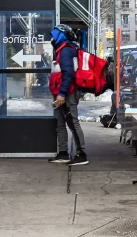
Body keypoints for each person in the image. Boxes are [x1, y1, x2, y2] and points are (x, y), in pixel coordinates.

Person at [48, 24, 88, 166]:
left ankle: (81, 154)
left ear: (61, 36)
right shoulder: (60, 50)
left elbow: (68, 74)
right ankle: (63, 153)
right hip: (60, 93)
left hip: (67, 93)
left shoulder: (65, 50)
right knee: (60, 123)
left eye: (54, 35)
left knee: (72, 122)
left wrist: (63, 94)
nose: (52, 38)